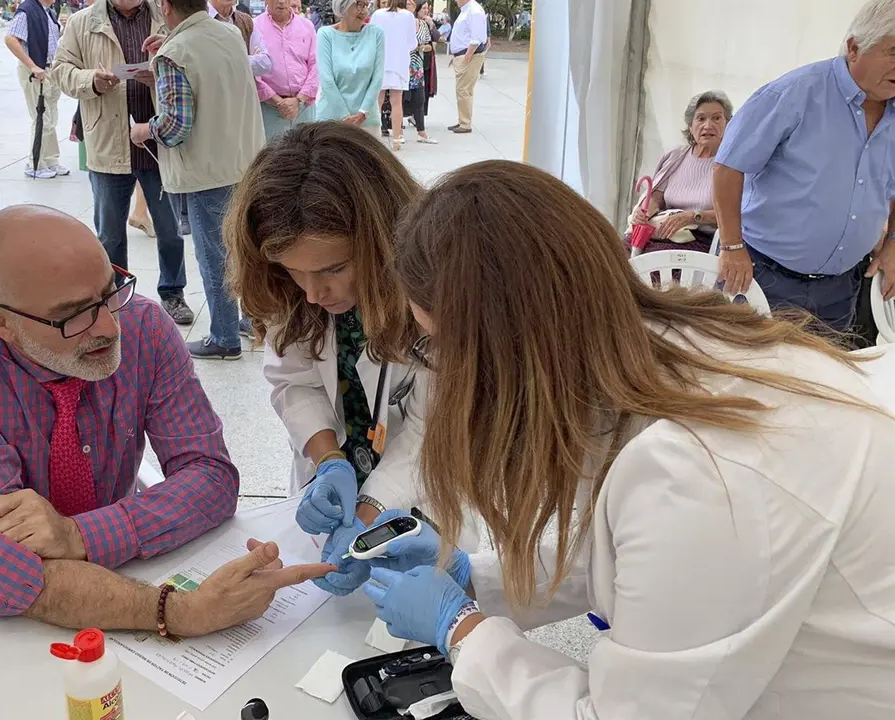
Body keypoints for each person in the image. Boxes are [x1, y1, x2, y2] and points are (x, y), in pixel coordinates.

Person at [362, 159, 895, 720]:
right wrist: (478, 578)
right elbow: (636, 557)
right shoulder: (661, 343)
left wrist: (463, 633)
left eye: (443, 348)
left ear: (506, 347)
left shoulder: (700, 474)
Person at [0, 205, 334, 630]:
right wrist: (180, 612)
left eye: (109, 291)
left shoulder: (142, 325)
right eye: (72, 315)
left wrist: (77, 536)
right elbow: (5, 575)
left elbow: (212, 477)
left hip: (116, 570)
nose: (107, 326)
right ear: (0, 324)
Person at [225, 122, 469, 597]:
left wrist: (370, 511)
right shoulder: (293, 291)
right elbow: (294, 381)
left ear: (383, 243)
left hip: (420, 497)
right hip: (334, 490)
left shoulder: (435, 299)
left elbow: (428, 430)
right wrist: (329, 459)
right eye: (293, 271)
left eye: (334, 269)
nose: (313, 293)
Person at [714, 0, 895, 333]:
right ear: (854, 48)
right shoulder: (794, 93)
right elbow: (728, 166)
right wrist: (731, 246)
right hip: (762, 275)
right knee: (744, 376)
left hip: (840, 289)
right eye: (894, 52)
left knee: (818, 381)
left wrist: (892, 243)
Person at [130, 0, 265, 360]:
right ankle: (250, 320)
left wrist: (143, 129)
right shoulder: (232, 33)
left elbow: (174, 127)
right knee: (244, 248)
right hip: (245, 159)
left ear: (166, 6)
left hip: (206, 171)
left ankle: (223, 337)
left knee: (214, 257)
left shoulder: (175, 53)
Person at [52, 0, 196, 327]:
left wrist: (158, 76)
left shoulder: (167, 14)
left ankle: (173, 293)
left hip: (158, 140)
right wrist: (91, 80)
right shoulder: (82, 22)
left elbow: (192, 64)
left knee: (170, 229)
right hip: (107, 139)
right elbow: (60, 70)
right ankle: (116, 297)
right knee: (109, 234)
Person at [628, 91, 733, 255]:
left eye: (716, 118)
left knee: (654, 269)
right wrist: (644, 213)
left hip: (697, 240)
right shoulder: (675, 157)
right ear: (691, 126)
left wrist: (692, 217)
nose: (708, 125)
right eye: (701, 118)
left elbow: (733, 215)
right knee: (611, 255)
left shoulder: (732, 166)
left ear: (728, 124)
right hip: (659, 230)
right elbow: (656, 196)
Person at [5, 0, 69, 178]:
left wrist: (63, 27)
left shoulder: (47, 11)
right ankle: (35, 164)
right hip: (36, 71)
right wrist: (32, 66)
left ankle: (50, 160)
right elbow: (10, 39)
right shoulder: (27, 11)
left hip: (49, 70)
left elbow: (50, 40)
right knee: (42, 119)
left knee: (51, 118)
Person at [253, 0, 318, 139]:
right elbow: (253, 72)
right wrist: (278, 102)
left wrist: (298, 100)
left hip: (303, 108)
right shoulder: (254, 27)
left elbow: (316, 66)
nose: (281, 1)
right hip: (269, 109)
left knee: (307, 154)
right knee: (271, 156)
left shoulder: (307, 26)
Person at [315, 0, 384, 127]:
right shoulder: (325, 34)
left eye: (366, 5)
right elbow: (326, 80)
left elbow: (378, 77)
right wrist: (344, 116)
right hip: (331, 119)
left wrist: (363, 112)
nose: (364, 11)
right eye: (359, 4)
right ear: (343, 6)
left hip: (366, 119)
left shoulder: (376, 33)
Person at [370, 0, 415, 150]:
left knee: (377, 101)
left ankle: (372, 138)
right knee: (397, 101)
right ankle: (397, 139)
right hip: (399, 63)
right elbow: (412, 43)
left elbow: (371, 37)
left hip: (380, 61)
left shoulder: (377, 14)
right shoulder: (408, 16)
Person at [447, 0, 485, 133]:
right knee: (462, 90)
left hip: (469, 56)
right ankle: (462, 120)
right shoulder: (467, 10)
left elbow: (477, 37)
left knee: (464, 90)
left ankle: (465, 123)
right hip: (463, 55)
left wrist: (467, 56)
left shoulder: (474, 11)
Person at [208, 0, 273, 78]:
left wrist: (228, 63)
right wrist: (249, 59)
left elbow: (265, 63)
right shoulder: (200, 21)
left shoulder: (246, 21)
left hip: (244, 89)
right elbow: (207, 66)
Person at [401, 0, 435, 143]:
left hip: (417, 68)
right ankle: (398, 131)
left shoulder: (422, 24)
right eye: (408, 4)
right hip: (402, 66)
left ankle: (421, 133)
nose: (411, 7)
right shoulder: (400, 24)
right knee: (399, 99)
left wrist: (422, 47)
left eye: (413, 4)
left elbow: (429, 45)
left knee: (419, 99)